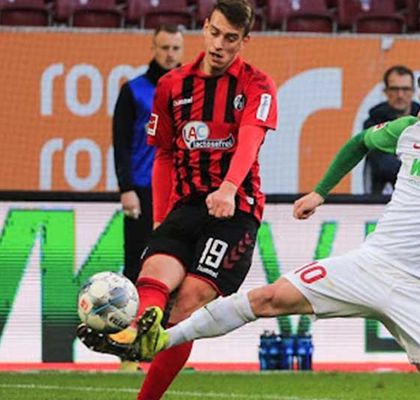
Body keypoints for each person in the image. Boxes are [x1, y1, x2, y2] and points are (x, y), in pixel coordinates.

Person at [132, 64, 420, 400]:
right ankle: (164, 339)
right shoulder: (407, 131)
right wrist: (321, 191)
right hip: (369, 267)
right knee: (268, 298)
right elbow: (359, 142)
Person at [78, 1, 277, 399]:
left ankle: (137, 358)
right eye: (215, 33)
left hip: (235, 212)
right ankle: (137, 336)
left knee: (186, 304)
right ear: (204, 27)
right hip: (185, 207)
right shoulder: (172, 85)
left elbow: (250, 139)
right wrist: (160, 219)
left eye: (231, 38)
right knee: (152, 275)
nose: (219, 45)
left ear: (245, 41)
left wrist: (228, 188)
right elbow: (164, 155)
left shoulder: (257, 85)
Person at [112, 22, 184, 373]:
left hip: (179, 192)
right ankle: (129, 352)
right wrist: (125, 188)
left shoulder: (189, 90)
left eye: (175, 48)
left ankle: (165, 352)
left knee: (177, 273)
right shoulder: (134, 91)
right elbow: (121, 143)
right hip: (142, 190)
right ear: (154, 49)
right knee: (135, 269)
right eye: (164, 47)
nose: (170, 54)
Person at [363, 65, 420, 194]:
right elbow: (383, 165)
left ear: (413, 91)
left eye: (405, 89)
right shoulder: (372, 124)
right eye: (394, 89)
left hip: (418, 195)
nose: (400, 95)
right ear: (386, 91)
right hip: (379, 197)